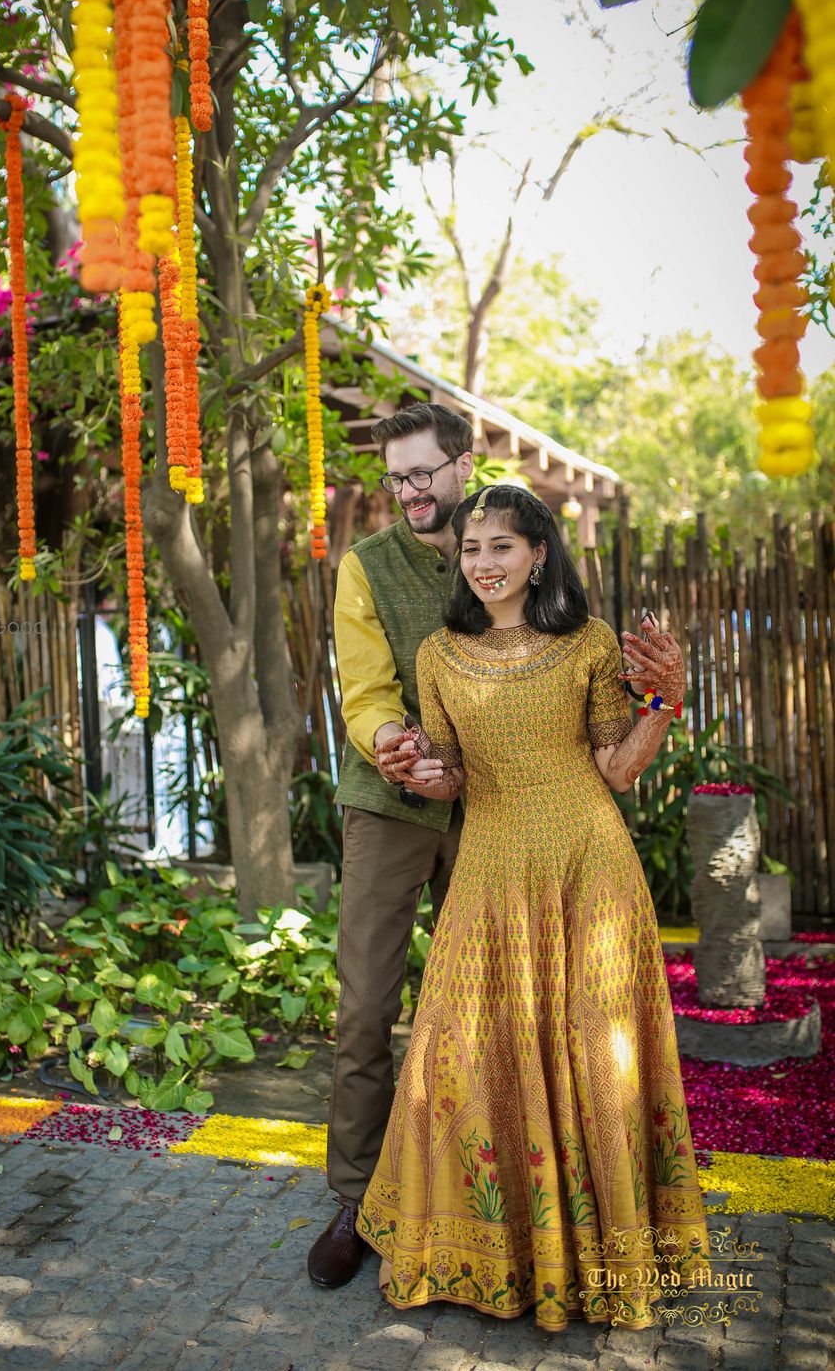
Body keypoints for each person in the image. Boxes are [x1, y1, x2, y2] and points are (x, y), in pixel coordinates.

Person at [356, 483, 709, 1332]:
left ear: (539, 554)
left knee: (598, 1054)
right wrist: (422, 771)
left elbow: (618, 769)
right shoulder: (439, 654)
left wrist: (665, 699)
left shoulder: (586, 643)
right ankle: (495, 1252)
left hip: (589, 868)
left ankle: (607, 1257)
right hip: (490, 869)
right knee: (472, 1055)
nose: (484, 565)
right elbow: (450, 772)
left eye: (501, 548)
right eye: (473, 550)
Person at [306, 403, 475, 1290]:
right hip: (389, 804)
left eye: (423, 473)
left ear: (462, 464)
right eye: (396, 477)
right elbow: (365, 692)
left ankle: (468, 1192)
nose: (410, 491)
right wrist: (395, 747)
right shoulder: (366, 567)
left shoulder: (510, 538)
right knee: (366, 1007)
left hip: (494, 809)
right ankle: (356, 1200)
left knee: (484, 1012)